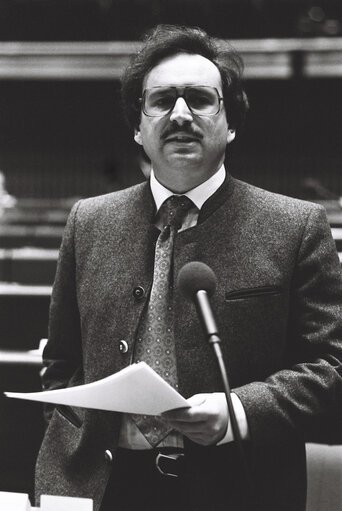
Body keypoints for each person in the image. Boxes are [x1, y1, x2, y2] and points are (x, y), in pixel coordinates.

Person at [35, 25, 342, 511]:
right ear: (138, 126)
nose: (180, 114)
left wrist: (238, 409)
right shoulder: (89, 221)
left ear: (231, 122)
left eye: (200, 98)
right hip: (102, 487)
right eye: (161, 100)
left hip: (234, 488)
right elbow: (61, 364)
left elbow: (331, 367)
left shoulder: (295, 225)